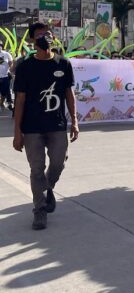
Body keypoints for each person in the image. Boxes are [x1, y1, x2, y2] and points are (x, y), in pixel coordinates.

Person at [12, 23, 78, 230]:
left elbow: (69, 94)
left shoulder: (63, 64)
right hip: (32, 127)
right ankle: (39, 210)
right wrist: (17, 132)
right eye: (40, 34)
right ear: (32, 40)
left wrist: (74, 120)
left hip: (56, 124)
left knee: (58, 163)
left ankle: (47, 188)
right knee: (36, 169)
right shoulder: (24, 66)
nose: (45, 37)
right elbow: (20, 100)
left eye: (47, 34)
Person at [0, 43, 14, 110]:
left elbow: (11, 63)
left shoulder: (6, 54)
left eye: (0, 46)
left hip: (5, 76)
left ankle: (3, 102)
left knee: (4, 91)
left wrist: (11, 71)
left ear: (2, 47)